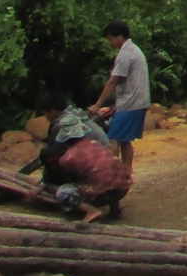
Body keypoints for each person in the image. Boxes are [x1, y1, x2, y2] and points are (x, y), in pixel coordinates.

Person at [27, 91, 132, 222]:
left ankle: (91, 211)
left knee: (64, 191)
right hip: (124, 185)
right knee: (102, 171)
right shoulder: (92, 142)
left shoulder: (69, 154)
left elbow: (63, 173)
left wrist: (45, 184)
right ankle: (115, 207)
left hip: (100, 185)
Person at [92, 21, 150, 178]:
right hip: (137, 101)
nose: (109, 42)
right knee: (124, 140)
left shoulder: (125, 54)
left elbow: (113, 81)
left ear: (120, 36)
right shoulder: (134, 50)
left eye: (110, 38)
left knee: (113, 138)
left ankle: (110, 174)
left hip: (131, 103)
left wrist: (98, 104)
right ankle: (125, 173)